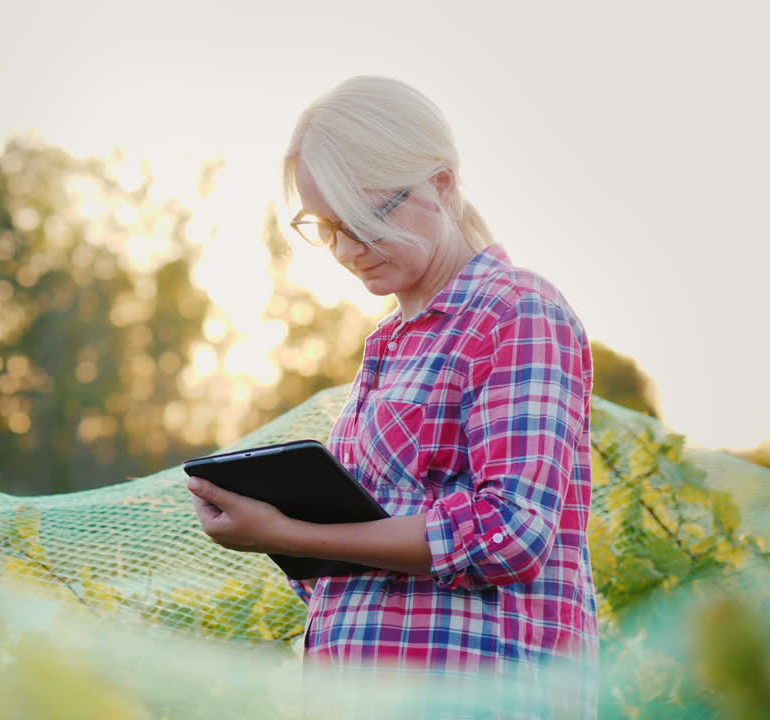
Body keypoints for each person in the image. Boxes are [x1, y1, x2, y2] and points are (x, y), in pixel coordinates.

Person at [187, 76, 598, 713]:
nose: (349, 249)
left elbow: (509, 533)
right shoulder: (388, 346)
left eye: (369, 216)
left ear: (443, 183)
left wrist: (295, 532)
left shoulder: (515, 311)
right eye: (327, 227)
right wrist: (285, 534)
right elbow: (374, 569)